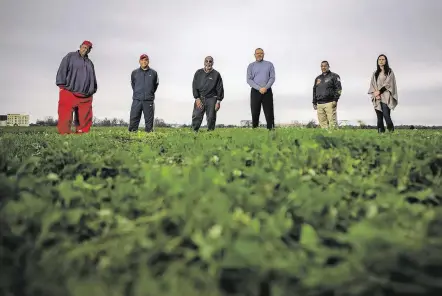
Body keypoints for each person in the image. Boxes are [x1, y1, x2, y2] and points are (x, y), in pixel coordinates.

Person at [55, 40, 97, 134]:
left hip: (85, 94)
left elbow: (93, 77)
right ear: (80, 46)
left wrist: (92, 89)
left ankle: (82, 132)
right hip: (69, 90)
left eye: (88, 48)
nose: (85, 50)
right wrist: (61, 85)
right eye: (84, 47)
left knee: (85, 116)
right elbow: (62, 69)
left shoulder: (90, 63)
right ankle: (64, 133)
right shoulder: (70, 56)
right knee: (65, 114)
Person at [191, 56, 224, 132]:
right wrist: (197, 98)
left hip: (212, 98)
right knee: (196, 115)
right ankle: (194, 132)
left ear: (212, 63)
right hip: (200, 98)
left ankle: (210, 134)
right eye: (207, 61)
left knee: (211, 117)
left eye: (210, 61)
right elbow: (194, 86)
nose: (208, 63)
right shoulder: (198, 73)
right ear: (204, 62)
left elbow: (220, 88)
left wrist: (218, 102)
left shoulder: (216, 74)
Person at [128, 54, 159, 132]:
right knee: (133, 120)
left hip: (148, 101)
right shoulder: (134, 73)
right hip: (137, 100)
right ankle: (131, 136)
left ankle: (149, 138)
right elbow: (133, 84)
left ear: (148, 61)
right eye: (142, 60)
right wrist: (138, 93)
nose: (144, 62)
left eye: (146, 60)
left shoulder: (154, 73)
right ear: (139, 61)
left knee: (149, 124)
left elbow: (155, 85)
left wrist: (149, 93)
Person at [246, 48, 276, 130]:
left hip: (267, 91)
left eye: (261, 53)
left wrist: (265, 88)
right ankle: (255, 130)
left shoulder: (269, 64)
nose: (259, 55)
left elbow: (272, 78)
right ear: (254, 55)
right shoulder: (251, 66)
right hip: (255, 92)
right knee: (255, 112)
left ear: (264, 54)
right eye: (258, 53)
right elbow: (249, 80)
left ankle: (271, 130)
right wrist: (259, 88)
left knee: (269, 113)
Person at [368, 54, 398, 133]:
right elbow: (372, 84)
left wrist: (379, 92)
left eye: (383, 59)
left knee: (386, 116)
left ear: (386, 61)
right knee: (379, 117)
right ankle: (380, 134)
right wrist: (375, 94)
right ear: (377, 61)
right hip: (377, 98)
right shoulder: (375, 73)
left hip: (386, 97)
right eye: (379, 60)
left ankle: (391, 132)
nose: (381, 61)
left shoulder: (389, 71)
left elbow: (389, 83)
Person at [312, 61, 342, 129]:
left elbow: (339, 89)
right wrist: (314, 102)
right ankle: (326, 138)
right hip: (319, 104)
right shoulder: (318, 78)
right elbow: (314, 90)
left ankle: (335, 138)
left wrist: (335, 99)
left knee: (332, 123)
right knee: (322, 124)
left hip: (330, 102)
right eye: (322, 66)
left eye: (325, 66)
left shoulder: (334, 76)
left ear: (328, 66)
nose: (323, 67)